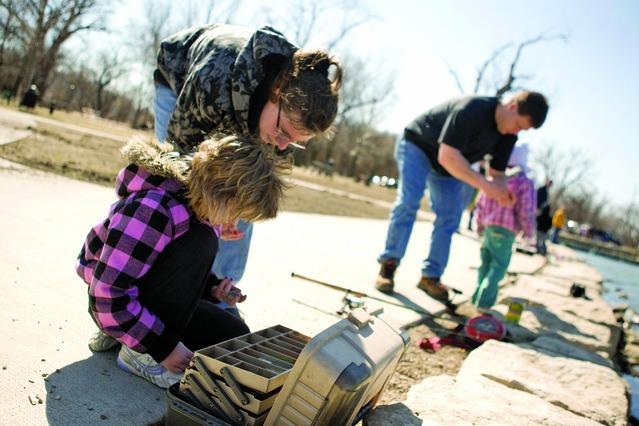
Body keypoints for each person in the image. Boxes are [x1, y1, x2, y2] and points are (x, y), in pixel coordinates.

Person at [76, 135, 290, 388]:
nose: (235, 223)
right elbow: (107, 296)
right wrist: (164, 348)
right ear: (219, 193)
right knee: (204, 241)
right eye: (236, 213)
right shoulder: (153, 208)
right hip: (113, 304)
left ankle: (128, 336)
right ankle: (137, 354)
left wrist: (210, 287)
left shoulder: (196, 206)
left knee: (235, 336)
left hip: (145, 299)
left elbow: (167, 267)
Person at [153, 24, 342, 285]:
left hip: (245, 109)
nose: (283, 145)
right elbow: (178, 157)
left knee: (245, 191)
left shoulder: (283, 118)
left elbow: (258, 187)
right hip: (179, 80)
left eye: (295, 142)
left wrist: (231, 215)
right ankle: (160, 276)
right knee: (172, 187)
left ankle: (222, 287)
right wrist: (212, 214)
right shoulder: (213, 78)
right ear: (277, 93)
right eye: (283, 132)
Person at [375, 91, 549, 304]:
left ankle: (430, 277)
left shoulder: (508, 136)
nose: (517, 131)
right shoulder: (472, 109)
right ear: (512, 106)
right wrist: (487, 187)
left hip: (447, 167)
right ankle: (388, 266)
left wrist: (503, 194)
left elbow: (498, 174)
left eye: (523, 130)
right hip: (418, 145)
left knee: (450, 217)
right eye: (519, 125)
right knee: (409, 201)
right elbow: (447, 155)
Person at [472, 144, 536, 310]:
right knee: (499, 265)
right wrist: (528, 231)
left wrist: (478, 223)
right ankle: (484, 302)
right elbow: (525, 210)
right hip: (506, 230)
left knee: (485, 263)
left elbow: (481, 202)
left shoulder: (493, 177)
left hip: (488, 227)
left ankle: (476, 296)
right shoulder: (523, 182)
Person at [536, 179, 553, 255]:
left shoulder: (546, 190)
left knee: (541, 239)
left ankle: (541, 250)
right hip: (539, 209)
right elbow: (538, 199)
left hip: (542, 226)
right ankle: (540, 249)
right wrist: (538, 208)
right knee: (540, 238)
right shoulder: (541, 189)